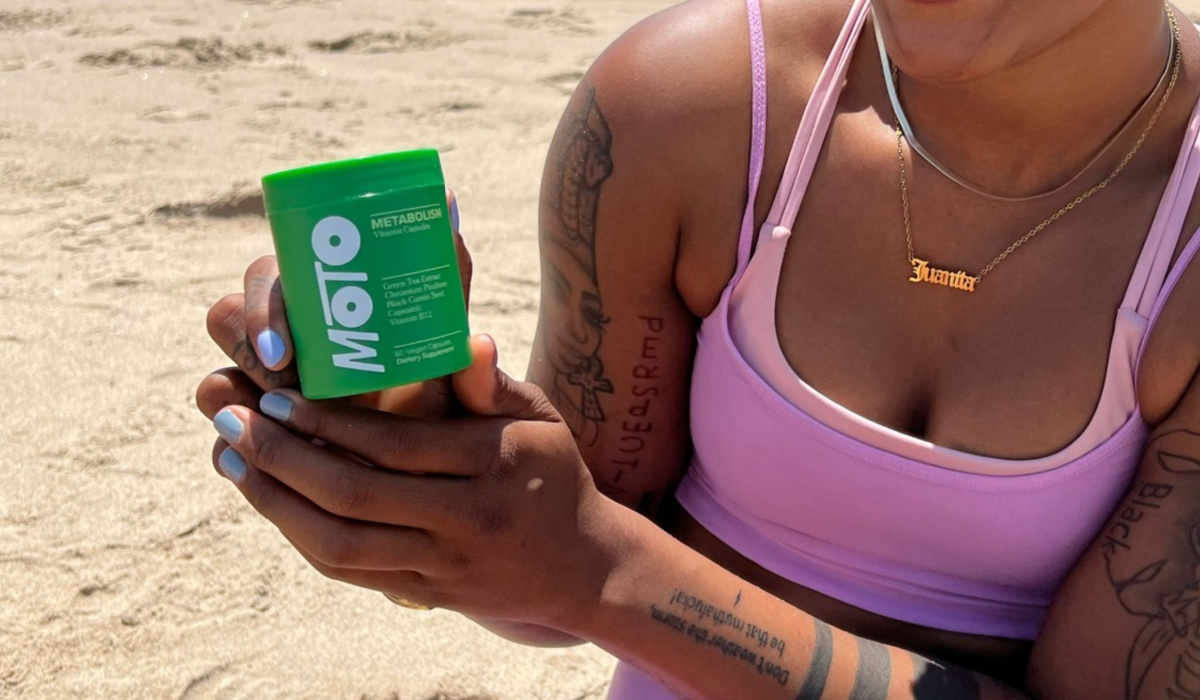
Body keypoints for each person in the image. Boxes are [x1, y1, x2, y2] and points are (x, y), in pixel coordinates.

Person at [196, 0, 1200, 696]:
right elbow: (546, 587)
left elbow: (590, 563)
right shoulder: (697, 111)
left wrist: (606, 571)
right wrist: (428, 459)